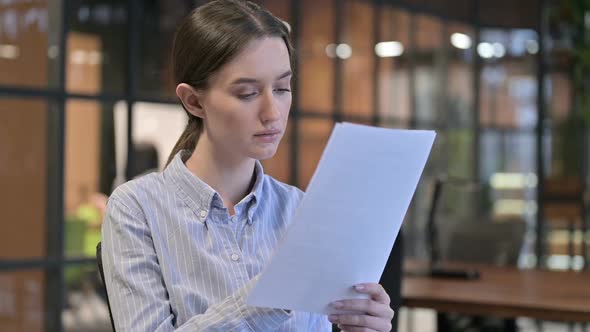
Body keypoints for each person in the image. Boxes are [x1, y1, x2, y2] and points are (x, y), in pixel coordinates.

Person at [101, 1, 395, 331]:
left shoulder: (300, 210)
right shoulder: (137, 209)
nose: (273, 112)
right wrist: (270, 295)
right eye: (247, 93)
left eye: (283, 88)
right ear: (194, 101)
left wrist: (364, 326)